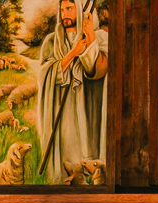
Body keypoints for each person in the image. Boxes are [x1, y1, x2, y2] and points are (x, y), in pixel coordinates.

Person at [36, 0, 108, 184]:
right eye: (62, 10)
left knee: (87, 153)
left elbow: (95, 71)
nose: (64, 14)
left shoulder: (99, 38)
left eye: (69, 9)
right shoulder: (52, 41)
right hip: (62, 108)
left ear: (80, 9)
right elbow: (45, 74)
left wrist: (90, 36)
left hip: (88, 107)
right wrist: (72, 53)